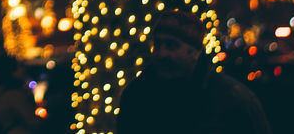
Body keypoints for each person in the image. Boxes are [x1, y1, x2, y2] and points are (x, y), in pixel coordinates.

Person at [115, 9, 272, 134]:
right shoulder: (137, 95)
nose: (161, 53)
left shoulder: (234, 100)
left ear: (195, 52)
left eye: (171, 45)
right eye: (158, 44)